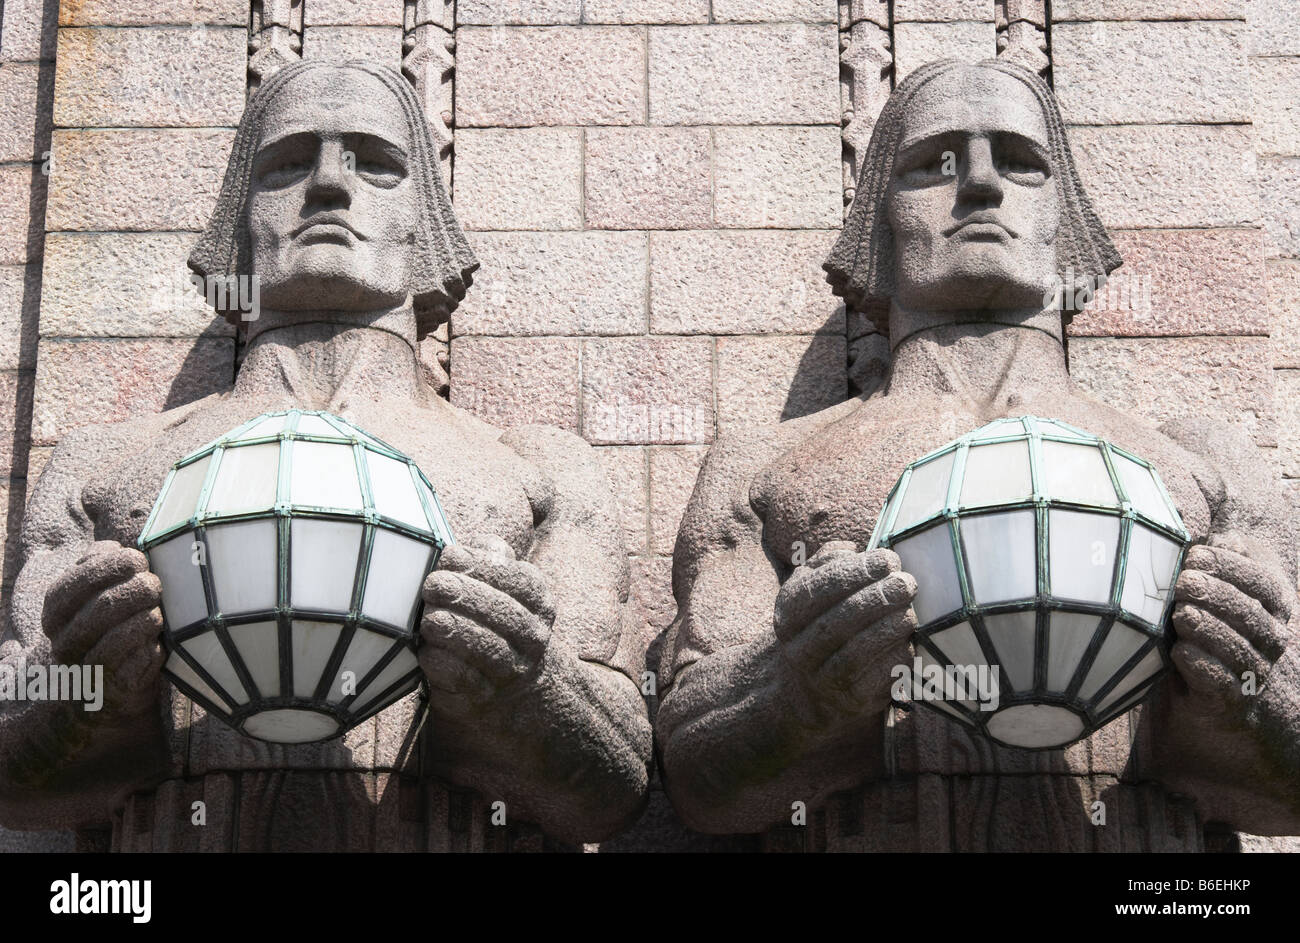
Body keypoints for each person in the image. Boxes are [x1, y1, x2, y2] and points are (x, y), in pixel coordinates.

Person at [0, 61, 651, 851]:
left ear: (425, 221)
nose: (330, 185)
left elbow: (618, 787)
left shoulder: (538, 471)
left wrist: (526, 691)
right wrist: (80, 697)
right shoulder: (103, 466)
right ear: (240, 216)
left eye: (375, 162)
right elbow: (12, 772)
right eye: (287, 163)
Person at [656, 59, 1300, 851]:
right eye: (935, 163)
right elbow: (693, 776)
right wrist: (796, 693)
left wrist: (1248, 692)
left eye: (1022, 161)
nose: (982, 185)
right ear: (880, 219)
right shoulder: (770, 467)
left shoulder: (1202, 466)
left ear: (1066, 215)